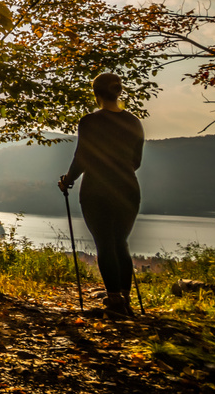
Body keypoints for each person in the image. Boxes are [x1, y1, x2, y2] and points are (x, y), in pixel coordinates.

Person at [58, 73, 144, 316]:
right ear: (119, 92)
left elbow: (82, 157)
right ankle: (124, 299)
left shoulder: (89, 122)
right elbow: (136, 161)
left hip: (97, 190)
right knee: (120, 242)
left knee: (105, 242)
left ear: (95, 93)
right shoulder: (134, 122)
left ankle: (114, 299)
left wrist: (68, 180)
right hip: (128, 188)